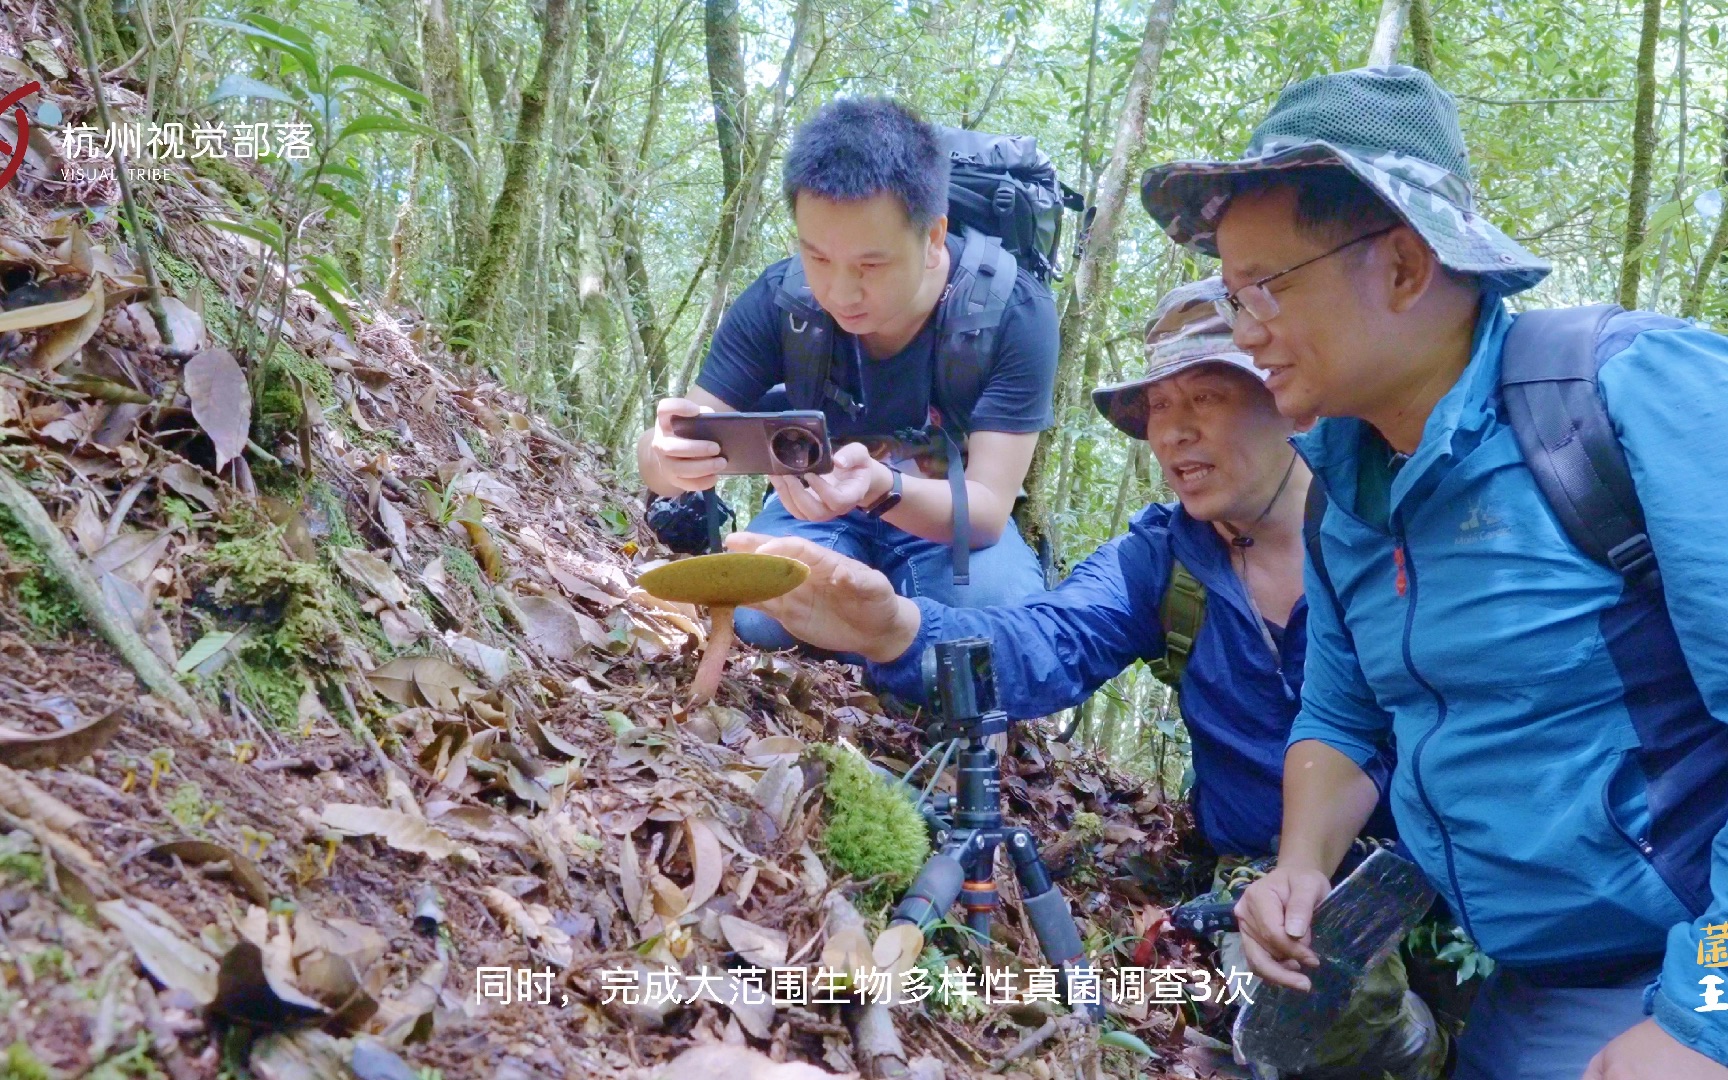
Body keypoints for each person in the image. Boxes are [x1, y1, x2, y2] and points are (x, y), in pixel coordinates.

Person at [1138, 65, 1728, 1080]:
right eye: (1233, 297)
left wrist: (1704, 1017)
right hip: (1528, 994)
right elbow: (1344, 716)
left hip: (1683, 975)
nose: (1245, 330)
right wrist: (1300, 865)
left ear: (1405, 265)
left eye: (1267, 288)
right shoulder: (1345, 491)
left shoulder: (1627, 397)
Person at [727, 278, 1447, 1080]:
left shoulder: (1404, 544)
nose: (1174, 433)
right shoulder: (1164, 562)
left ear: (1291, 399)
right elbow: (1048, 642)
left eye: (1206, 395)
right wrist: (898, 628)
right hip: (1268, 899)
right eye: (1156, 413)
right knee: (1322, 1020)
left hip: (1441, 881)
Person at [637, 97, 1057, 650]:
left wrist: (878, 487)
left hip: (946, 526)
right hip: (812, 515)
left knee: (992, 624)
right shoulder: (781, 299)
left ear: (933, 239)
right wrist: (668, 456)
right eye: (817, 258)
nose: (839, 291)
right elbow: (673, 446)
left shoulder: (1013, 314)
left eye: (870, 265)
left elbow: (984, 513)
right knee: (760, 616)